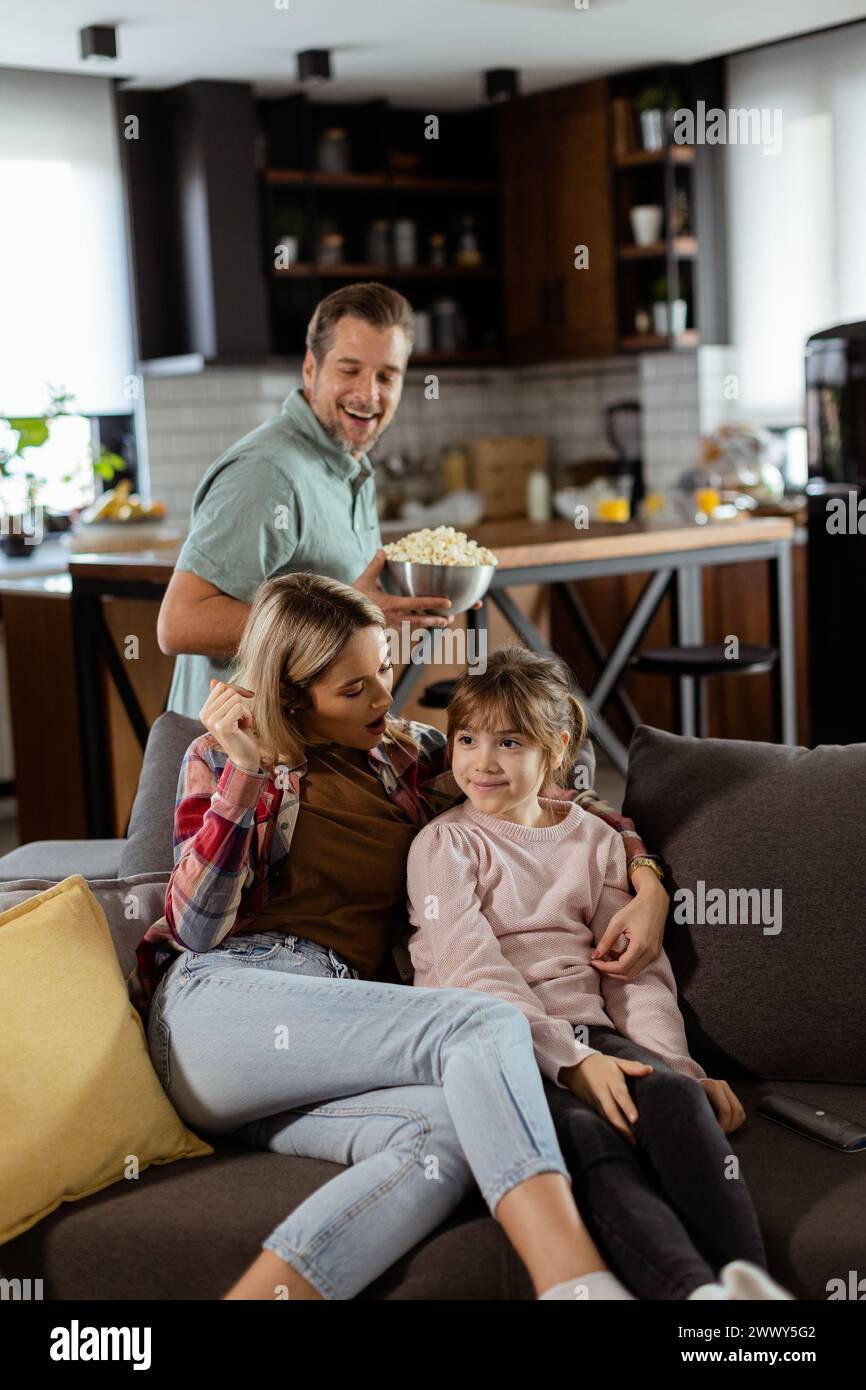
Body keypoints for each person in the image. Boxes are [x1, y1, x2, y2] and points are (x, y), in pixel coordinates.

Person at [132, 572, 672, 1301]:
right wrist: (247, 775)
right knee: (483, 1022)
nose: (384, 698)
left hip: (333, 1040)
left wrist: (647, 881)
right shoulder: (223, 758)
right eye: (353, 690)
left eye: (383, 668)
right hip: (222, 1008)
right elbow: (196, 930)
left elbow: (554, 792)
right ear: (293, 696)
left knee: (446, 1137)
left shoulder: (406, 754)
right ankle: (578, 1286)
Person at [405, 646, 793, 1301]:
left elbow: (632, 974)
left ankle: (747, 1287)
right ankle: (698, 1296)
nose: (481, 761)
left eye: (509, 742)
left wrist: (674, 1064)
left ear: (555, 747)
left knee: (668, 1096)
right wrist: (570, 1063)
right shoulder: (445, 843)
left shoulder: (594, 839)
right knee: (588, 1137)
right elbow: (472, 972)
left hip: (587, 1030)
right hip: (495, 1043)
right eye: (466, 739)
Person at [157, 282, 458, 720]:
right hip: (235, 762)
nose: (369, 394)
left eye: (387, 376)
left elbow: (337, 593)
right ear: (310, 369)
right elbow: (179, 624)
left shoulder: (348, 461)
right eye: (349, 370)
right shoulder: (267, 472)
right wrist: (340, 620)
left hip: (304, 759)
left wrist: (402, 600)